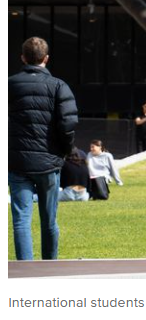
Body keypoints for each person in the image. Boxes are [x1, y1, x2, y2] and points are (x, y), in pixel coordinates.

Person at [9, 36, 78, 260]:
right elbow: (68, 124)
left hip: (17, 163)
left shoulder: (9, 85)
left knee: (21, 221)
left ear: (23, 58)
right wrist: (66, 150)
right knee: (49, 220)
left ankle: (25, 269)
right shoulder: (59, 86)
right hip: (49, 163)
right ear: (46, 58)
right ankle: (49, 267)